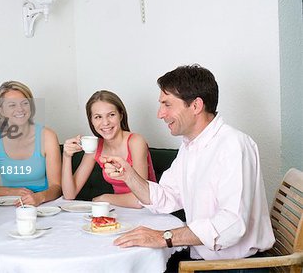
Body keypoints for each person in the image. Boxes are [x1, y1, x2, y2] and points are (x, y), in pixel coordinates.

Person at [101, 65, 275, 267]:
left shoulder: (233, 145)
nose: (160, 113)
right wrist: (128, 176)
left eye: (167, 104)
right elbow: (167, 197)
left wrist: (163, 237)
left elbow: (231, 225)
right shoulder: (190, 145)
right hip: (204, 260)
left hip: (236, 266)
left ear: (195, 106)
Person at [0, 81, 61, 206]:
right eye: (12, 105)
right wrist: (9, 192)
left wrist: (39, 197)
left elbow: (57, 187)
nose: (20, 109)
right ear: (1, 109)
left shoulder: (47, 136)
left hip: (45, 205)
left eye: (25, 103)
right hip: (9, 207)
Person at [62, 90, 156, 208]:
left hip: (148, 211)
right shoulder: (96, 147)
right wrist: (66, 156)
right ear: (91, 120)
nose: (105, 122)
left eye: (111, 115)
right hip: (120, 210)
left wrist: (103, 198)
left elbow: (139, 201)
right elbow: (69, 195)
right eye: (98, 117)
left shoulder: (136, 141)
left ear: (121, 115)